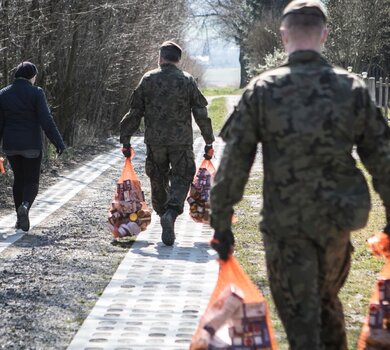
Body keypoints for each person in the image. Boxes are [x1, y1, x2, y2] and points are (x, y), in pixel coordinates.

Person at [209, 1, 390, 349]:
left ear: (283, 36)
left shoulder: (264, 89)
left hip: (285, 225)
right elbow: (382, 159)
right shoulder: (350, 89)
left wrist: (221, 222)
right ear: (324, 35)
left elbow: (235, 162)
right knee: (326, 304)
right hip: (337, 222)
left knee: (301, 319)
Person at [120, 41, 215, 246]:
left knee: (157, 176)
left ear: (161, 57)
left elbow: (135, 112)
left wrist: (125, 139)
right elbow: (201, 113)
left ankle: (162, 211)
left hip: (155, 142)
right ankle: (171, 213)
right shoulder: (187, 80)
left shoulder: (148, 79)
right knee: (182, 176)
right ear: (178, 60)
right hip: (181, 142)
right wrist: (209, 140)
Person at [0, 61, 65, 232]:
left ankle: (19, 218)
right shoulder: (36, 92)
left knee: (19, 180)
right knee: (32, 181)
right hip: (31, 147)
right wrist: (58, 142)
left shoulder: (3, 94)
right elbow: (46, 120)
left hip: (11, 146)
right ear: (31, 76)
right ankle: (25, 206)